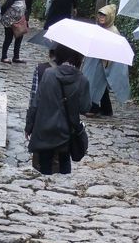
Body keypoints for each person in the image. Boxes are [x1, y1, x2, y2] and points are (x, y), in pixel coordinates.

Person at [25, 43, 91, 175]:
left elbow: (35, 103)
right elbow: (85, 108)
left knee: (43, 168)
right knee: (64, 164)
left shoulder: (48, 74)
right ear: (79, 58)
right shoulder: (82, 80)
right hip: (66, 131)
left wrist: (29, 126)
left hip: (44, 129)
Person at [82, 4, 130, 117]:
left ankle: (94, 108)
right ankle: (105, 109)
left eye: (104, 15)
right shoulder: (99, 28)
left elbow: (113, 50)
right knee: (97, 85)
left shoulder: (113, 32)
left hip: (103, 63)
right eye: (100, 14)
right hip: (95, 60)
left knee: (96, 84)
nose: (101, 17)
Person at [0, 0, 28, 64]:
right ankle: (4, 57)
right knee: (8, 38)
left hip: (19, 21)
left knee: (19, 38)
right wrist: (8, 17)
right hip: (10, 22)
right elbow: (4, 7)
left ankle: (16, 57)